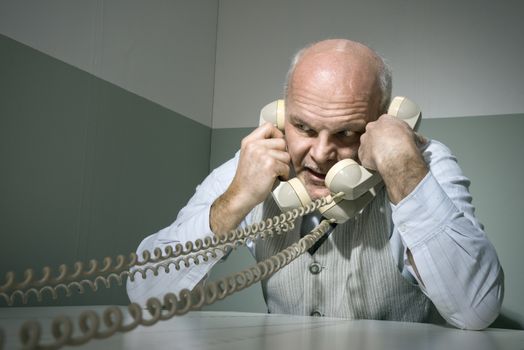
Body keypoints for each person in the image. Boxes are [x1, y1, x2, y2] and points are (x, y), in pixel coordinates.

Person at [127, 39, 504, 330]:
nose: (321, 154)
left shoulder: (422, 163)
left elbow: (478, 309)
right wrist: (236, 201)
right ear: (280, 115)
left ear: (384, 122)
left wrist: (403, 169)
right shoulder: (257, 162)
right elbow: (144, 295)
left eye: (346, 132)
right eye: (303, 127)